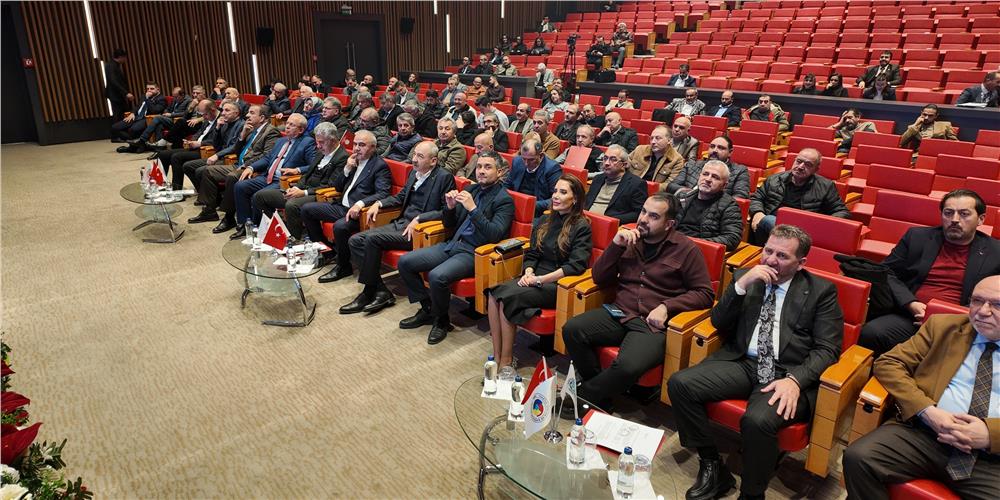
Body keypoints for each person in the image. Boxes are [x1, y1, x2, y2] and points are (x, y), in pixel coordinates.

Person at [668, 224, 844, 500]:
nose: (771, 260)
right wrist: (740, 286)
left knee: (757, 420)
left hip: (785, 373)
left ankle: (752, 494)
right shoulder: (746, 277)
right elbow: (718, 322)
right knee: (680, 383)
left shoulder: (821, 291)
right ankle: (712, 465)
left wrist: (795, 381)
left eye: (782, 256)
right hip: (743, 362)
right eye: (768, 251)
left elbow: (828, 349)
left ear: (801, 263)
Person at [843, 275, 1000, 500]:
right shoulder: (943, 326)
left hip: (990, 457)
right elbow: (888, 363)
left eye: (997, 304)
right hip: (925, 434)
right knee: (858, 457)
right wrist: (927, 411)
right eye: (977, 300)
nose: (983, 311)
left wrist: (990, 434)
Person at [564, 192, 714, 410]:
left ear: (669, 224)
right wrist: (615, 245)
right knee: (572, 329)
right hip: (619, 312)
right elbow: (598, 277)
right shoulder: (628, 239)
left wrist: (667, 306)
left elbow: (705, 293)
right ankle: (599, 395)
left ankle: (584, 396)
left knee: (627, 366)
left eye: (653, 216)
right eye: (643, 211)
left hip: (650, 325)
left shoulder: (686, 249)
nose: (643, 219)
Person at [858, 189, 1000, 356]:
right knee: (871, 332)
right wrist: (911, 303)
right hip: (911, 316)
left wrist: (950, 317)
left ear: (981, 219)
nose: (955, 219)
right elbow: (886, 272)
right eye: (948, 213)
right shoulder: (917, 237)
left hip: (962, 324)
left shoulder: (996, 252)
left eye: (964, 214)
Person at [396, 151, 515, 344]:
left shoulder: (504, 200)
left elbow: (494, 234)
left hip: (474, 252)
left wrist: (473, 209)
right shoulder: (471, 190)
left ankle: (442, 321)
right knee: (405, 262)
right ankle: (428, 309)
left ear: (500, 172)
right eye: (479, 166)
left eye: (487, 167)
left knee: (437, 276)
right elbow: (449, 223)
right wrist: (450, 207)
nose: (481, 171)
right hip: (453, 243)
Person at [340, 140, 457, 315]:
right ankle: (379, 290)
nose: (414, 159)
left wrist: (420, 218)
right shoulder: (414, 173)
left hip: (420, 231)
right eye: (414, 154)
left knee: (372, 238)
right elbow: (401, 197)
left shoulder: (444, 177)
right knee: (355, 240)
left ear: (433, 161)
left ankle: (369, 292)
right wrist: (379, 203)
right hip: (401, 223)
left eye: (420, 156)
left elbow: (446, 211)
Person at [487, 175, 592, 367]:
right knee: (493, 294)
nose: (556, 196)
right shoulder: (545, 219)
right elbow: (533, 254)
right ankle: (497, 355)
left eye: (563, 192)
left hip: (557, 284)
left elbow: (575, 266)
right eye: (555, 191)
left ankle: (506, 361)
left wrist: (540, 280)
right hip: (534, 277)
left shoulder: (581, 226)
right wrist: (528, 272)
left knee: (506, 297)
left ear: (575, 198)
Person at [300, 129, 393, 282]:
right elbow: (337, 187)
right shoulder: (353, 161)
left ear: (373, 147)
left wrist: (360, 204)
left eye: (362, 145)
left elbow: (383, 193)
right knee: (306, 209)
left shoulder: (379, 166)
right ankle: (327, 251)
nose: (356, 148)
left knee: (340, 226)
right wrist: (347, 169)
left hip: (360, 213)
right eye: (355, 144)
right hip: (341, 207)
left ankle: (343, 266)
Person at [251, 122, 347, 239]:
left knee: (292, 205)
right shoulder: (320, 153)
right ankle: (278, 233)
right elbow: (306, 175)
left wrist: (303, 193)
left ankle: (295, 239)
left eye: (321, 142)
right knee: (261, 197)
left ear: (333, 140)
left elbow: (330, 185)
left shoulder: (342, 157)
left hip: (318, 195)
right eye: (317, 142)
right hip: (302, 190)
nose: (318, 146)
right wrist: (296, 187)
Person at [228, 113, 314, 236]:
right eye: (287, 123)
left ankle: (259, 228)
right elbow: (268, 158)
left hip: (282, 181)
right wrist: (251, 167)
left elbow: (313, 165)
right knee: (240, 186)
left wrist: (298, 170)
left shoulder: (307, 142)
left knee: (258, 196)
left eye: (292, 125)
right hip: (267, 176)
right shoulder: (281, 141)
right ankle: (244, 224)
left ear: (301, 130)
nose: (287, 126)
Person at [185, 103, 270, 225]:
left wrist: (248, 165)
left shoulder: (270, 131)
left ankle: (228, 217)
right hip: (238, 163)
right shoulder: (251, 129)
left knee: (232, 176)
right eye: (248, 112)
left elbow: (266, 156)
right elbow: (235, 149)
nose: (247, 115)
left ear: (261, 118)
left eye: (251, 113)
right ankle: (209, 211)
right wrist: (242, 136)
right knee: (207, 171)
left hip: (251, 168)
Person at [749, 148, 850, 243]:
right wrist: (758, 213)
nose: (801, 167)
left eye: (808, 165)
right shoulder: (774, 179)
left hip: (803, 230)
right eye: (799, 161)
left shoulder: (826, 186)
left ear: (816, 169)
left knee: (768, 220)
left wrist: (821, 225)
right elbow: (756, 198)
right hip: (772, 224)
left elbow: (842, 212)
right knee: (767, 220)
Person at [675, 161, 744, 251]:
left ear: (724, 185)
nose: (708, 179)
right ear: (699, 176)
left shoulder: (730, 206)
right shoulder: (682, 196)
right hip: (672, 244)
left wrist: (696, 243)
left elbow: (732, 238)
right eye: (705, 174)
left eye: (715, 177)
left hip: (698, 250)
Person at [152, 100, 219, 190]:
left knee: (176, 157)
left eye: (205, 114)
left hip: (207, 150)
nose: (203, 117)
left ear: (213, 110)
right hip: (196, 146)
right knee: (162, 154)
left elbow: (218, 140)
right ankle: (159, 185)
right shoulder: (208, 118)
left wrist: (199, 143)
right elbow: (199, 132)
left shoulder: (221, 120)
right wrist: (191, 141)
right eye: (202, 114)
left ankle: (177, 190)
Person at [668, 135, 751, 199]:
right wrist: (693, 195)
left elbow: (740, 197)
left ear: (730, 152)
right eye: (712, 146)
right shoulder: (691, 165)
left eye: (721, 148)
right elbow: (672, 186)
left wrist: (708, 198)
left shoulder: (739, 171)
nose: (715, 150)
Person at [584, 145, 647, 224]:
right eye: (605, 158)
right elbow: (586, 202)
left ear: (624, 165)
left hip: (609, 225)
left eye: (613, 159)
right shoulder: (598, 178)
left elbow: (638, 213)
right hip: (585, 221)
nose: (606, 163)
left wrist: (612, 221)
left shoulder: (636, 184)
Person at [505, 139, 562, 215]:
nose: (526, 163)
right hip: (515, 206)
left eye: (531, 160)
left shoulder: (552, 168)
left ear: (541, 156)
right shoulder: (517, 161)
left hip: (538, 210)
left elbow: (555, 198)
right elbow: (507, 185)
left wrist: (529, 204)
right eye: (524, 159)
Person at [628, 124, 685, 189]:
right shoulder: (639, 150)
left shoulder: (677, 160)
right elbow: (624, 168)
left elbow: (668, 186)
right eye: (651, 138)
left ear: (669, 140)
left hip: (654, 192)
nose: (653, 142)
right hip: (630, 187)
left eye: (658, 138)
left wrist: (648, 188)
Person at [104, 48, 130, 122]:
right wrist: (126, 93)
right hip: (115, 95)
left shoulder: (113, 65)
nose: (125, 60)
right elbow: (114, 81)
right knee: (118, 115)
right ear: (121, 57)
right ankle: (117, 128)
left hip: (117, 94)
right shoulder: (111, 66)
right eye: (124, 57)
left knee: (122, 113)